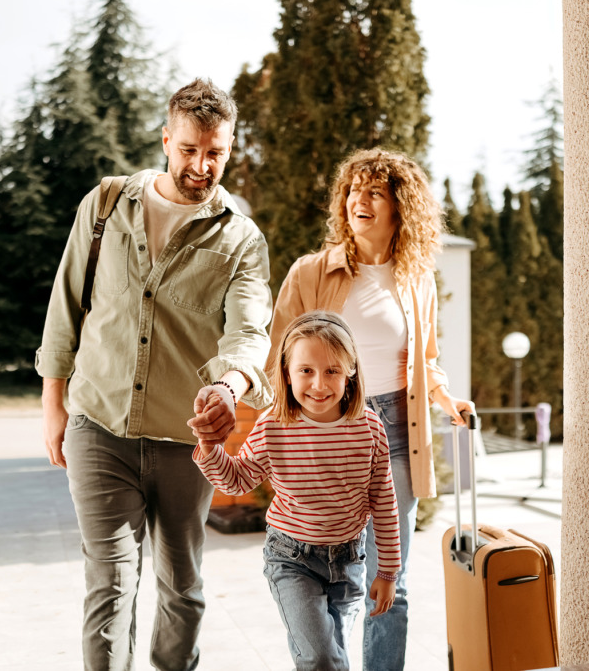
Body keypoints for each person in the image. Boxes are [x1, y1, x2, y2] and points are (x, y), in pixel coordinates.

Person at [36, 78, 273, 671]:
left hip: (186, 441)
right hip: (99, 425)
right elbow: (66, 305)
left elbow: (249, 331)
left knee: (182, 588)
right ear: (167, 139)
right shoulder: (107, 204)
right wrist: (53, 402)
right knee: (111, 584)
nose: (201, 165)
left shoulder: (241, 240)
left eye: (215, 152)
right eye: (190, 149)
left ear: (230, 146)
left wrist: (230, 385)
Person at [269, 148, 476, 670]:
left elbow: (424, 359)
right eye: (353, 190)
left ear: (399, 207)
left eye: (374, 191)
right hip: (329, 426)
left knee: (392, 577)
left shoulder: (416, 279)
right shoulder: (312, 273)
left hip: (397, 433)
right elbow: (279, 356)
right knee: (336, 572)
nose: (359, 199)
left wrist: (445, 397)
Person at [194, 310, 401, 671]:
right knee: (323, 659)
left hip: (350, 562)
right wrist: (210, 447)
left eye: (332, 370)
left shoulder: (369, 428)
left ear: (351, 371)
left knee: (331, 657)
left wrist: (388, 572)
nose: (319, 384)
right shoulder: (273, 425)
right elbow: (236, 480)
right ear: (287, 373)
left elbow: (384, 502)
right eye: (306, 370)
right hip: (292, 560)